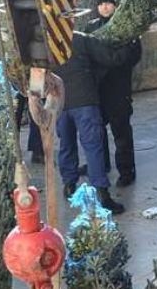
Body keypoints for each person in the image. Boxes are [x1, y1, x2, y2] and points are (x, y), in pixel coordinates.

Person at [54, 29, 138, 214]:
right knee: (93, 147)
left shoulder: (47, 43)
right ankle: (102, 194)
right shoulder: (81, 39)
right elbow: (111, 59)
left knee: (66, 145)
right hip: (85, 101)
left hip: (59, 103)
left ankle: (69, 185)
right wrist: (129, 43)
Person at [85, 0, 143, 187]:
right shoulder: (91, 28)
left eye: (108, 3)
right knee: (97, 131)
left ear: (115, 5)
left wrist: (114, 60)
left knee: (122, 134)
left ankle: (127, 171)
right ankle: (101, 165)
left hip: (119, 90)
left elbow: (135, 55)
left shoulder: (126, 28)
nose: (104, 7)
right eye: (101, 4)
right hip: (97, 91)